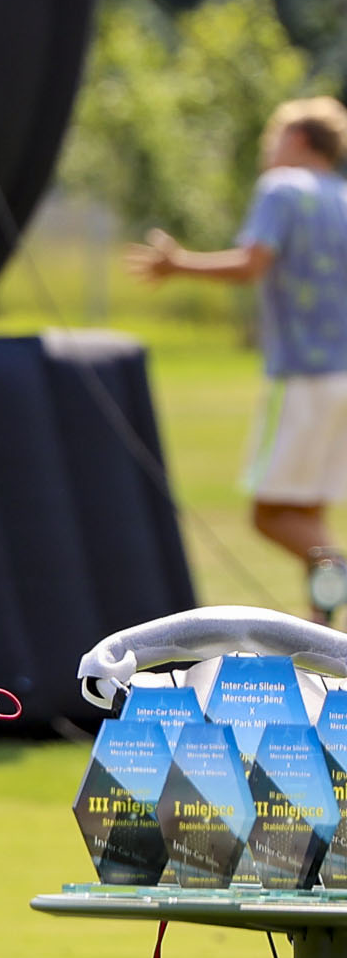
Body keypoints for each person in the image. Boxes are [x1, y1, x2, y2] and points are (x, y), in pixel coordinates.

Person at [128, 96, 347, 620]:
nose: (268, 149)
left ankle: (338, 569)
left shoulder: (282, 189)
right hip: (343, 374)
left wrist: (179, 266)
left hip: (300, 374)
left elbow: (252, 263)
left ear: (297, 140)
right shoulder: (342, 195)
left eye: (275, 137)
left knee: (269, 517)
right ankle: (322, 647)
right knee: (307, 510)